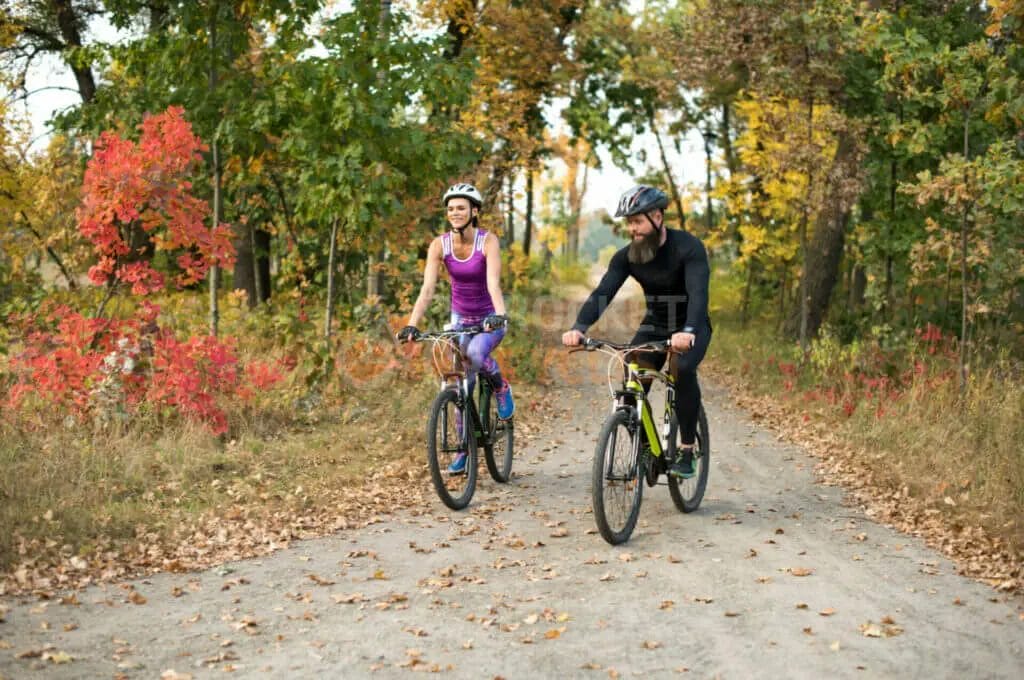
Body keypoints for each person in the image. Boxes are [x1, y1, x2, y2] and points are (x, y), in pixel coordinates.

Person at [561, 185, 711, 478]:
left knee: (683, 369)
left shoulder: (688, 247)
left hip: (690, 325)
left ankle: (688, 450)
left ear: (657, 216)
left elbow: (698, 294)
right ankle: (647, 452)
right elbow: (602, 294)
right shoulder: (627, 257)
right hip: (655, 325)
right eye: (629, 223)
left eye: (637, 221)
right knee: (631, 383)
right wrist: (579, 327)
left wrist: (689, 330)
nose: (633, 229)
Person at [398, 183, 514, 474]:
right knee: (461, 384)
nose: (455, 213)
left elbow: (493, 284)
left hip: (489, 318)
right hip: (460, 320)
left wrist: (499, 315)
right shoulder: (439, 245)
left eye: (461, 208)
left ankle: (500, 386)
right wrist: (412, 324)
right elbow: (427, 289)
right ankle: (463, 449)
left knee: (475, 354)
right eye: (451, 209)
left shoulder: (488, 242)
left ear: (474, 211)